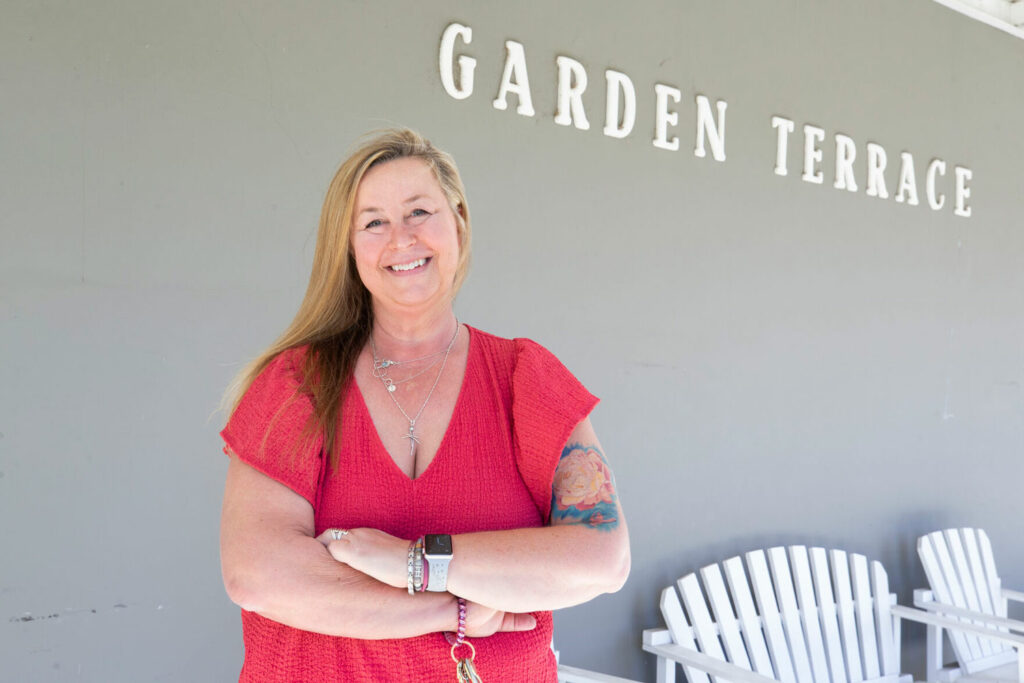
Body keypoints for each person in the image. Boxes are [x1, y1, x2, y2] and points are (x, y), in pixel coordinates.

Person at [218, 128, 630, 682]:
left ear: (457, 220)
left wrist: (411, 561)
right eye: (373, 222)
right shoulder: (297, 383)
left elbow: (601, 559)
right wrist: (453, 609)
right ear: (350, 247)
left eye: (418, 212)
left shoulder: (523, 379)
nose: (401, 239)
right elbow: (258, 575)